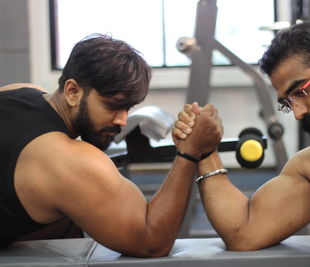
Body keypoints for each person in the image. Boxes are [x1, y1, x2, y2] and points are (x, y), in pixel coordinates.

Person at [174, 22, 310, 266]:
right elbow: (245, 232)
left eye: (301, 92)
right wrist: (205, 150)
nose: (298, 113)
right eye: (288, 103)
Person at [0, 34, 223, 257]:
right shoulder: (65, 161)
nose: (122, 121)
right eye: (112, 106)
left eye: (128, 108)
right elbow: (152, 241)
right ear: (72, 91)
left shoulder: (20, 90)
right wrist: (189, 152)